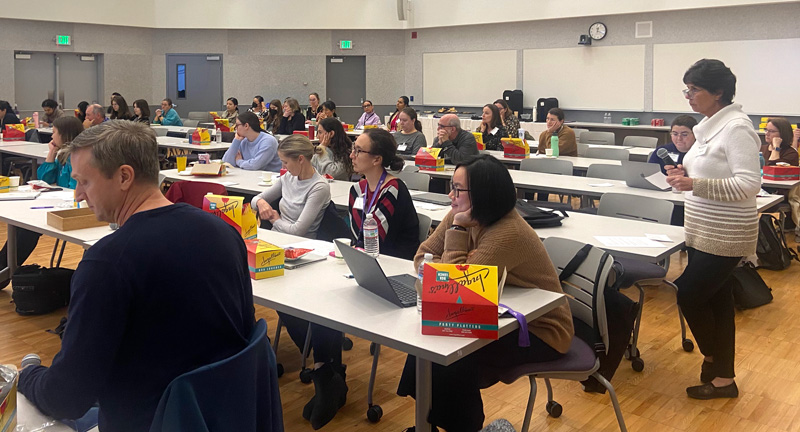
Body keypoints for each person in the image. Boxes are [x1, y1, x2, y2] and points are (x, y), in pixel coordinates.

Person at [17, 120, 257, 432]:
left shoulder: (107, 262)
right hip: (219, 414)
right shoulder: (224, 232)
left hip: (148, 419)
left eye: (84, 182)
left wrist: (28, 375)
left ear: (124, 177)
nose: (78, 194)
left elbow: (66, 397)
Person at [396, 154, 574, 432]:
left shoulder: (507, 232)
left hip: (542, 330)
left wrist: (456, 231)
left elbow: (454, 289)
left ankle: (463, 427)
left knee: (452, 351)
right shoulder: (461, 211)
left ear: (482, 194)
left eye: (458, 189)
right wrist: (453, 259)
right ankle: (429, 423)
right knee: (433, 342)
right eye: (451, 187)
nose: (450, 195)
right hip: (504, 309)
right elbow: (422, 257)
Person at [665, 59, 761, 400]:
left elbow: (749, 185)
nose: (688, 97)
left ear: (718, 92)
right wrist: (682, 177)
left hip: (728, 233)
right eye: (687, 89)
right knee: (718, 302)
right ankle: (724, 380)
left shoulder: (736, 128)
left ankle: (713, 359)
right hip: (704, 229)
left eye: (695, 90)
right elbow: (705, 176)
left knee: (688, 293)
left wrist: (694, 183)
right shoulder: (710, 126)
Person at [0, 116, 85, 289]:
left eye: (54, 133)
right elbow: (45, 179)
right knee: (22, 227)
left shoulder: (78, 156)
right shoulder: (62, 154)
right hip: (57, 202)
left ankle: (3, 273)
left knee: (27, 230)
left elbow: (74, 189)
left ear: (65, 135)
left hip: (73, 209)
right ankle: (3, 271)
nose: (51, 137)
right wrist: (51, 153)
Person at [348, 128, 420, 259]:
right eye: (353, 149)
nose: (352, 155)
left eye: (358, 151)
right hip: (364, 259)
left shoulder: (393, 190)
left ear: (377, 160)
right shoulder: (356, 190)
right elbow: (355, 236)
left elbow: (377, 241)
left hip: (394, 263)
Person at [251, 134, 331, 238]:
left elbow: (298, 231)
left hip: (300, 243)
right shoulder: (288, 177)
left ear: (300, 159)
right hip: (277, 236)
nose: (283, 167)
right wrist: (260, 202)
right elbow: (255, 200)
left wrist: (276, 220)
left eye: (285, 162)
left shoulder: (319, 187)